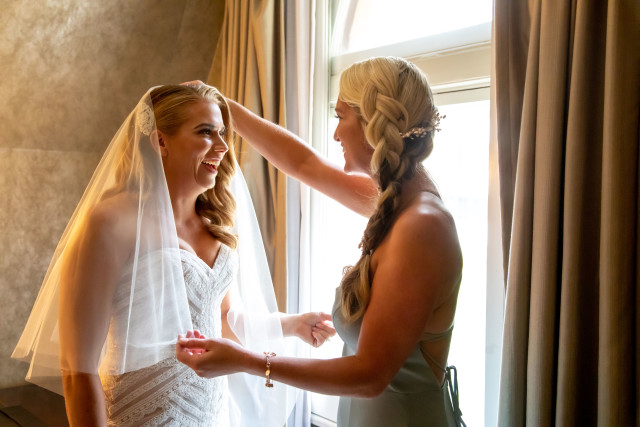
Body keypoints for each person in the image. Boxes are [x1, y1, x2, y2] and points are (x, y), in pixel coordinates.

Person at [12, 84, 335, 427]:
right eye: (205, 132)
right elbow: (77, 368)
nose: (223, 146)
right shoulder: (113, 223)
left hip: (213, 416)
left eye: (222, 133)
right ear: (160, 141)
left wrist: (292, 325)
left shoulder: (216, 226)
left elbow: (222, 321)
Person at [177, 56, 466, 427]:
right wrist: (223, 107)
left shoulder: (421, 226)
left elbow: (369, 376)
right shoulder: (397, 200)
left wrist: (246, 360)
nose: (336, 134)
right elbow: (305, 165)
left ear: (372, 124)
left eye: (340, 116)